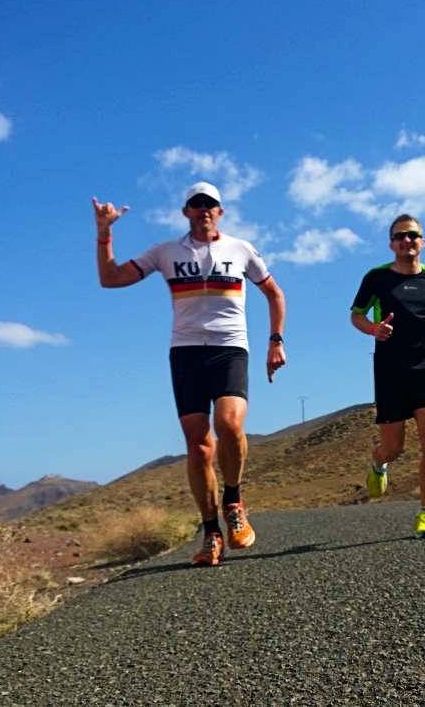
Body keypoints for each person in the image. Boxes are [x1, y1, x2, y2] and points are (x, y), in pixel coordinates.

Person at [93, 181, 286, 566]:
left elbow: (275, 294)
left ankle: (234, 500)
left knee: (229, 425)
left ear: (221, 211)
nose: (204, 210)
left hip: (230, 348)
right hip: (186, 353)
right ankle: (211, 532)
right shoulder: (165, 252)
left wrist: (275, 341)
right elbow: (110, 278)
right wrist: (104, 234)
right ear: (185, 212)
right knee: (198, 445)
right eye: (196, 204)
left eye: (210, 204)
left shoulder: (241, 250)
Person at [350, 214, 425, 538]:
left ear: (422, 241)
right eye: (400, 236)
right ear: (392, 244)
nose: (407, 240)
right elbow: (357, 315)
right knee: (393, 448)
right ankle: (378, 462)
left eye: (413, 235)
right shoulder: (376, 278)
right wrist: (373, 329)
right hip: (390, 370)